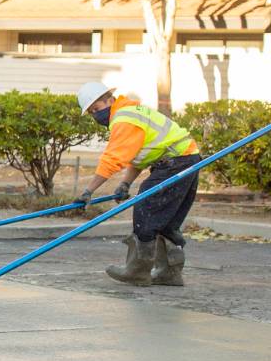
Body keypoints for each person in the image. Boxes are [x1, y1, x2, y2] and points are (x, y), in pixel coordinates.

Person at [74, 81, 203, 287]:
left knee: (147, 208)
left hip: (178, 162)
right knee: (165, 218)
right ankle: (169, 272)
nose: (95, 116)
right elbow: (139, 156)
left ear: (110, 99)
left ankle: (138, 271)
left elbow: (112, 159)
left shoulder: (124, 119)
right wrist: (125, 184)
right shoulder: (130, 113)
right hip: (186, 159)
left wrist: (88, 191)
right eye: (91, 113)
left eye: (96, 109)